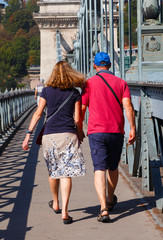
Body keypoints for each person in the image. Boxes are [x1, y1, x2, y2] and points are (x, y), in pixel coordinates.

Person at [22, 61, 86, 224]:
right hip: (68, 135)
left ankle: (55, 202)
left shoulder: (47, 91)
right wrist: (80, 134)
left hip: (49, 136)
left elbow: (37, 114)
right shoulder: (74, 93)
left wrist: (28, 134)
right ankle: (65, 211)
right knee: (66, 173)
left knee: (53, 170)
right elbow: (78, 119)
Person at [81, 52, 136, 223]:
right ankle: (110, 199)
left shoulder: (88, 84)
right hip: (116, 131)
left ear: (95, 66)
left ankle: (103, 208)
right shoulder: (121, 83)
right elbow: (128, 106)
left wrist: (78, 128)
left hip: (96, 131)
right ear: (110, 65)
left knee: (99, 168)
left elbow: (82, 109)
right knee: (113, 167)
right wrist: (132, 127)